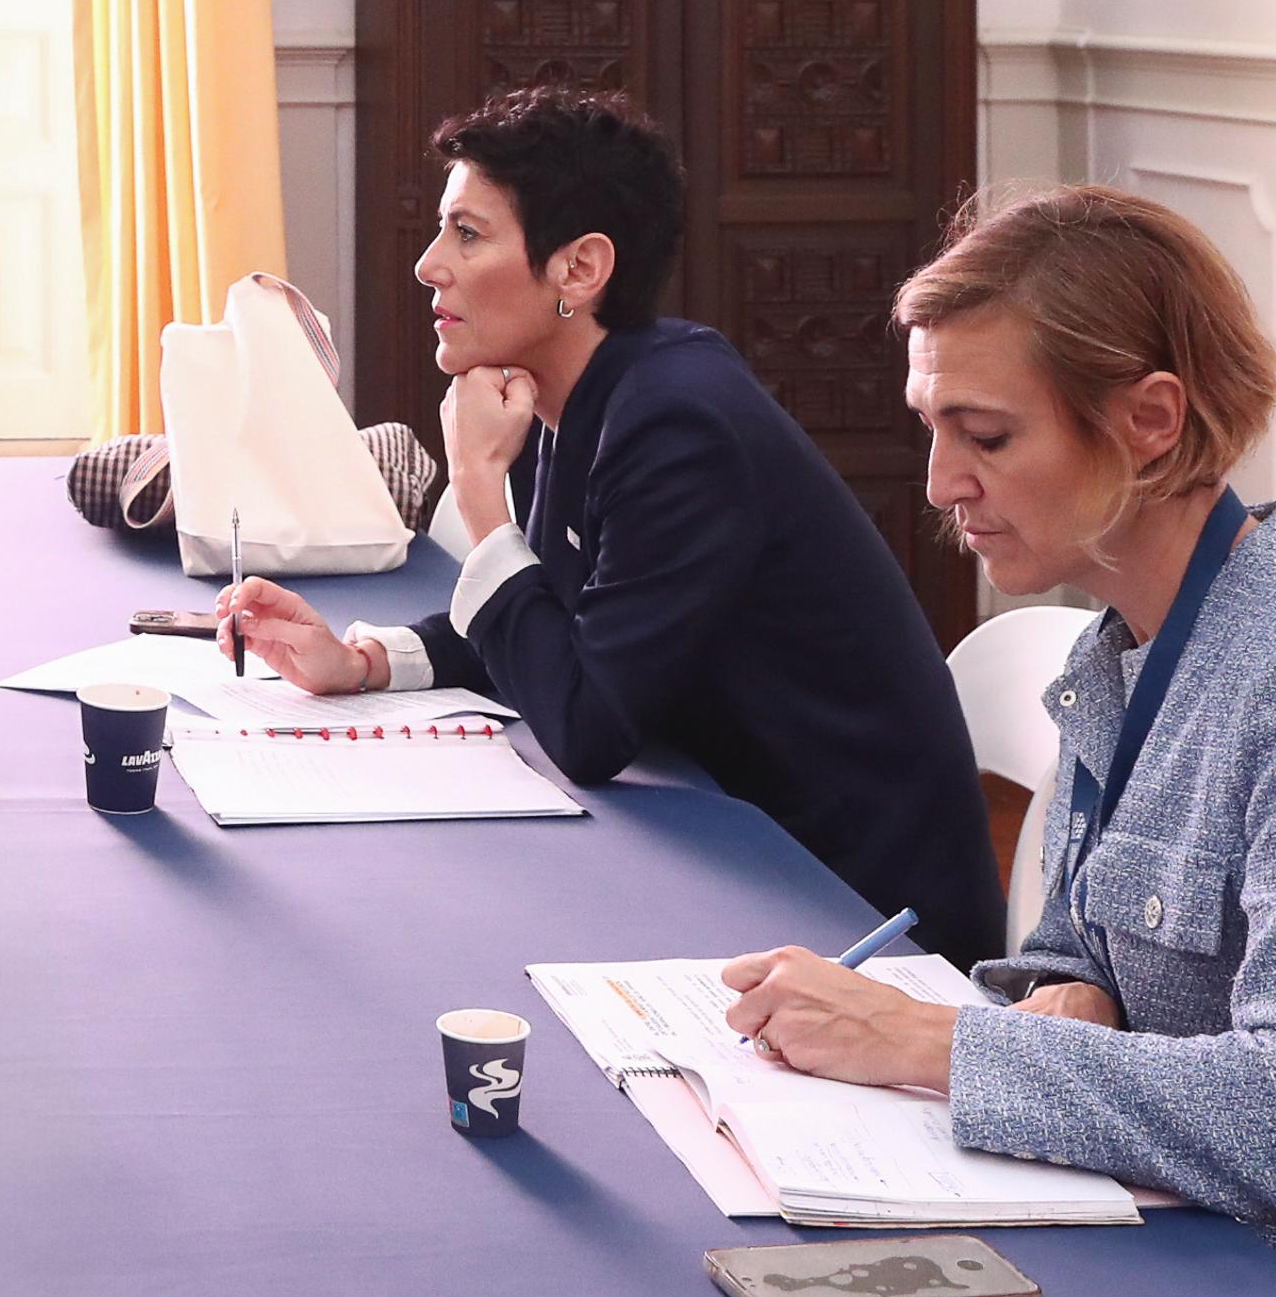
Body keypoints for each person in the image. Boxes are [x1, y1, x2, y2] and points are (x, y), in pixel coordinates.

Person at [713, 184, 1276, 1297]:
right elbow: (1086, 942)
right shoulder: (1122, 645)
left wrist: (931, 1045)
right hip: (1189, 1255)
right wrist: (1073, 988)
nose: (943, 481)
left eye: (988, 435)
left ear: (1150, 420)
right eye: (933, 427)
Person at [216, 85, 1004, 965]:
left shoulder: (677, 422)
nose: (428, 264)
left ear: (580, 269)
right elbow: (554, 619)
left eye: (467, 234)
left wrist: (480, 495)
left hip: (852, 913)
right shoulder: (583, 393)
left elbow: (587, 724)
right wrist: (360, 662)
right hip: (733, 847)